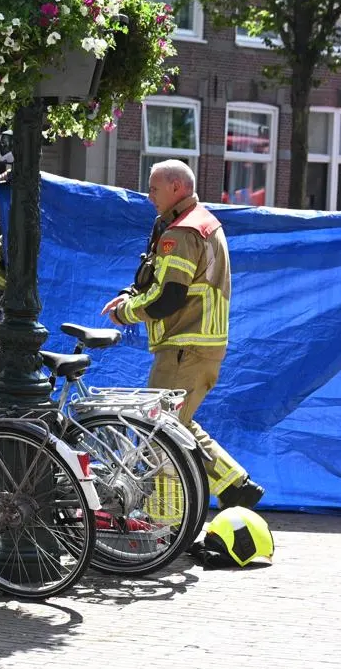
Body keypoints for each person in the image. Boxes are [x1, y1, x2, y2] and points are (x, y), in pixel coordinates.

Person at [102, 159, 264, 510]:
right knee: (178, 423)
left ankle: (167, 521)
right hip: (199, 348)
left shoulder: (181, 232)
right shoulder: (200, 223)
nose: (148, 196)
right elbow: (159, 281)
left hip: (183, 347)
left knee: (159, 434)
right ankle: (236, 485)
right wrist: (131, 294)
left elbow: (169, 297)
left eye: (154, 188)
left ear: (177, 188)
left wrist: (126, 312)